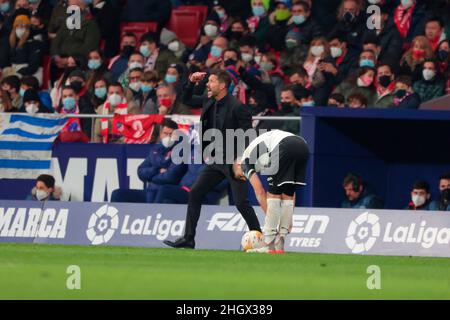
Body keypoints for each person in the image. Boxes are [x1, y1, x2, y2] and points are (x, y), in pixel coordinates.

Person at [163, 70, 262, 249]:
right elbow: (186, 99)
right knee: (195, 192)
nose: (208, 84)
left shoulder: (238, 107)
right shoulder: (208, 100)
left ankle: (259, 237)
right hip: (216, 160)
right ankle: (188, 238)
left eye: (212, 81)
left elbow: (249, 136)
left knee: (241, 203)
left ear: (223, 85)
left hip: (234, 162)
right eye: (208, 81)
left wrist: (241, 160)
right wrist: (191, 82)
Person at [232, 129, 310, 253]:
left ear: (237, 166)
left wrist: (273, 219)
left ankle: (267, 243)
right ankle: (280, 243)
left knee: (273, 194)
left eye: (241, 176)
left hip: (283, 146)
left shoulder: (244, 162)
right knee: (288, 192)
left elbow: (260, 191)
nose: (244, 178)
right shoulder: (262, 157)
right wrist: (288, 220)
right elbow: (291, 195)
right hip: (303, 146)